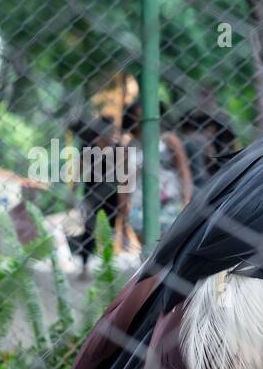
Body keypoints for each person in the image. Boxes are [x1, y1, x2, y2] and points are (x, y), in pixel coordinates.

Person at [122, 100, 193, 238]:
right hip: (140, 204)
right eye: (138, 119)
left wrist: (187, 200)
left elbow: (184, 171)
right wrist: (123, 211)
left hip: (169, 201)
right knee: (148, 249)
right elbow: (125, 181)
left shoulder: (168, 139)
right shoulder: (130, 145)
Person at [71, 115, 128, 273]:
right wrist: (73, 190)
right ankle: (84, 266)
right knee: (89, 230)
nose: (111, 133)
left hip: (112, 197)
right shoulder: (89, 147)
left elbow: (123, 177)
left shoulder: (118, 149)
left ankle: (107, 266)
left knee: (109, 230)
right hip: (91, 196)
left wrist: (123, 199)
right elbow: (79, 170)